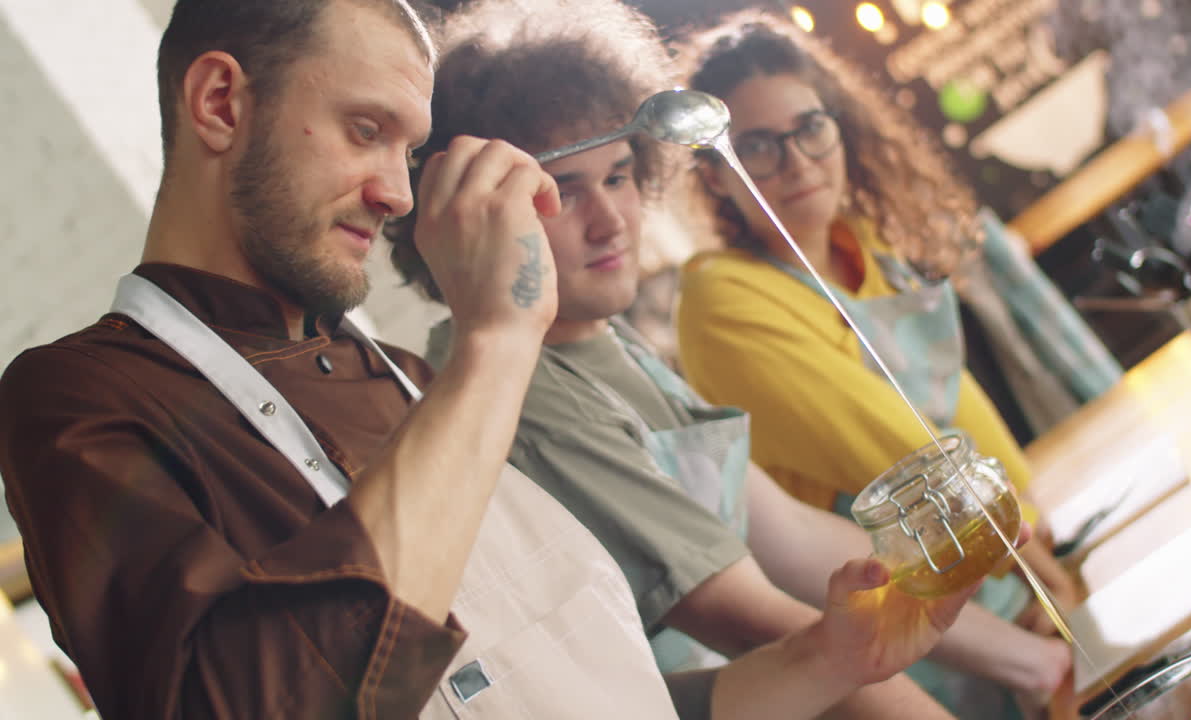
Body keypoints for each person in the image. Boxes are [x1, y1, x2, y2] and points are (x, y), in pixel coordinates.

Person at [0, 1, 979, 718]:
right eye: (365, 130)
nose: (397, 193)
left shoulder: (408, 380)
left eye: (408, 152)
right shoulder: (75, 400)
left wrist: (828, 658)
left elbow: (587, 696)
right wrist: (498, 343)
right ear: (220, 103)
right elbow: (273, 701)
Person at [387, 2, 1059, 718]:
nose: (611, 222)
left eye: (618, 177)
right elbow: (750, 618)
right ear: (468, 214)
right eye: (563, 193)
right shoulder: (520, 388)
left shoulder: (600, 337)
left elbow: (788, 535)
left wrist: (1037, 660)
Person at [672, 11, 1084, 718]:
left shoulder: (865, 248)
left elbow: (958, 407)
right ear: (715, 175)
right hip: (928, 651)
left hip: (1017, 576)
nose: (798, 162)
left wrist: (1040, 539)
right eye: (758, 147)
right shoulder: (720, 299)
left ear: (839, 125)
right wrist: (1031, 563)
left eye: (810, 128)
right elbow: (897, 449)